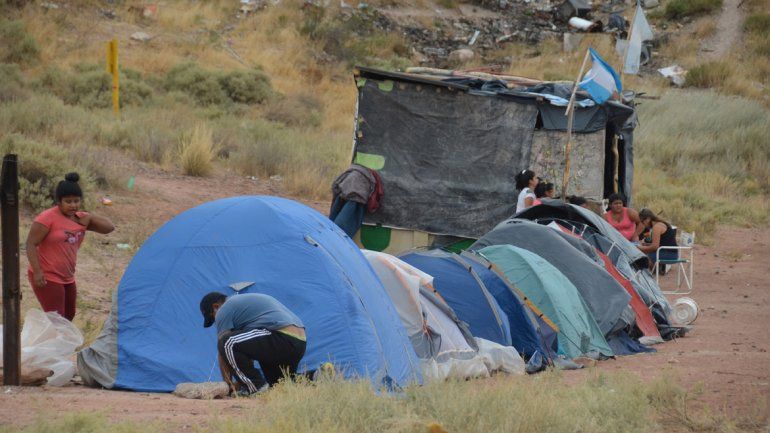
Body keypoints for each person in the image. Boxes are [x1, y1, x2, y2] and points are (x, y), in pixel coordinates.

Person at [26, 173, 115, 321]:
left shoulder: (80, 219)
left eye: (76, 201)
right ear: (59, 202)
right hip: (48, 275)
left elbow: (109, 228)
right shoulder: (46, 218)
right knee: (57, 319)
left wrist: (90, 217)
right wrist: (37, 272)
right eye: (68, 201)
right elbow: (30, 244)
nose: (73, 205)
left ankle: (59, 343)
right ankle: (50, 344)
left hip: (67, 277)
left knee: (69, 316)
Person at [200, 292, 307, 396]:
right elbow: (246, 350)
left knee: (226, 342)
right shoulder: (243, 306)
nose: (216, 322)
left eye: (213, 317)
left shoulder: (224, 309)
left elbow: (223, 350)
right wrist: (242, 381)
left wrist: (228, 385)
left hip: (280, 336)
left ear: (216, 306)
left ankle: (256, 387)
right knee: (279, 387)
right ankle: (313, 376)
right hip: (299, 342)